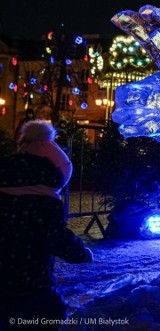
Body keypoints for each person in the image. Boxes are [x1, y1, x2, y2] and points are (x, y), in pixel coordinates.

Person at [0, 120, 93, 329]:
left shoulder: (6, 183)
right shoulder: (45, 201)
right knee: (49, 315)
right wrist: (81, 253)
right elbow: (56, 237)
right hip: (30, 281)